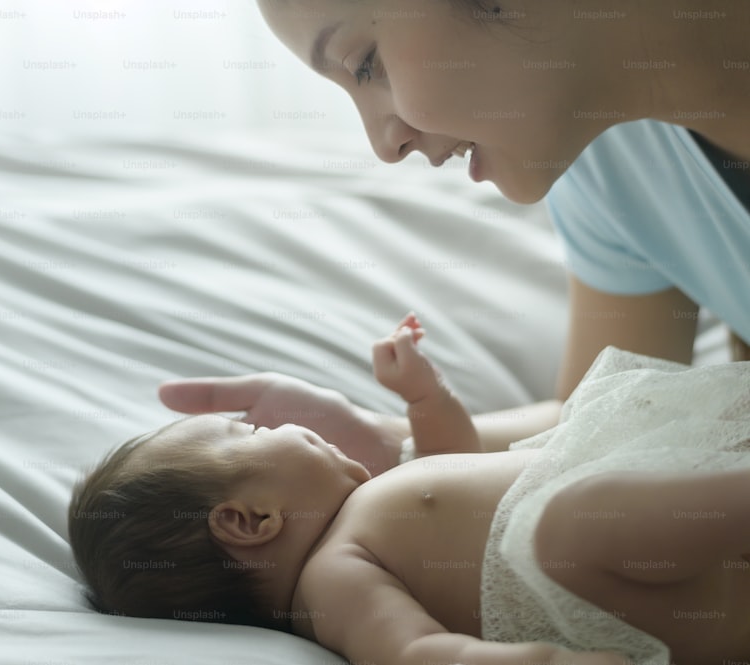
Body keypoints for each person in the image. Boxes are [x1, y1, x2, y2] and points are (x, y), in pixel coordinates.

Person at [159, 0, 750, 476]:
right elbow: (603, 417)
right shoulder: (604, 162)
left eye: (365, 64)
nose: (383, 146)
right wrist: (390, 441)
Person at [69, 318, 750, 665]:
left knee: (586, 506)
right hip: (615, 581)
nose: (274, 423)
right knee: (570, 522)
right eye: (249, 433)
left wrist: (426, 397)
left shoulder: (367, 514)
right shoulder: (331, 582)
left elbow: (453, 464)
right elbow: (417, 653)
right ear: (250, 520)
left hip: (668, 548)